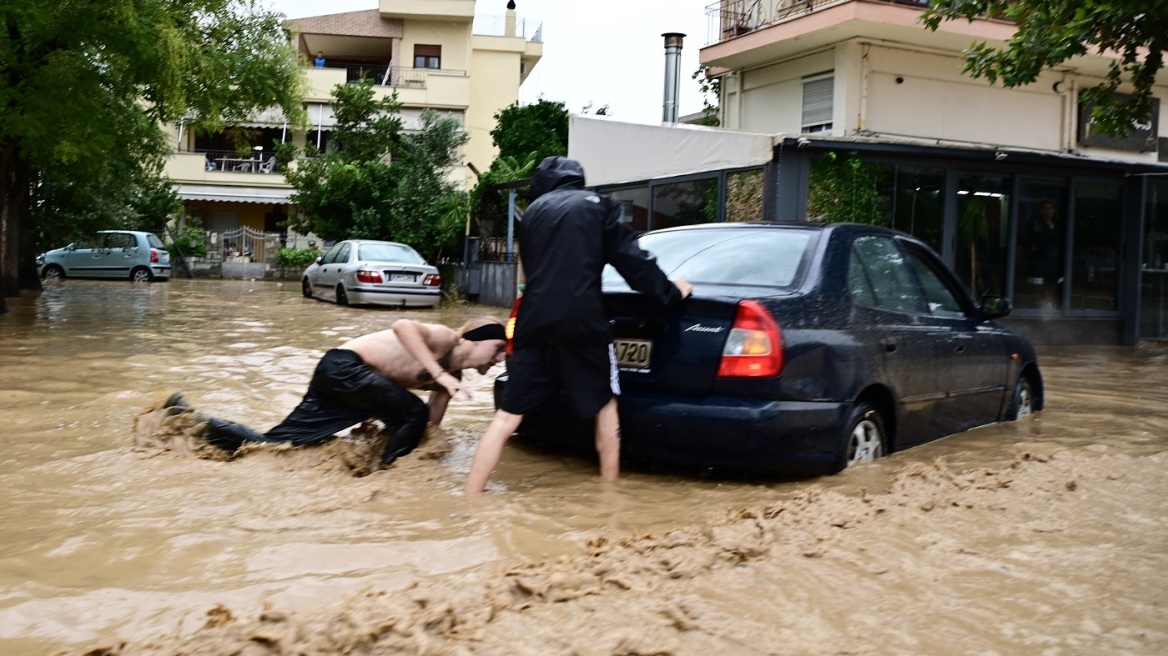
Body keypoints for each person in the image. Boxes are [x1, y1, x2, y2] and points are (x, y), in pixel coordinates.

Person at [465, 156, 692, 494]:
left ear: (543, 185)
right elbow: (633, 262)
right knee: (605, 405)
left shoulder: (533, 214)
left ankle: (471, 495)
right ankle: (608, 498)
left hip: (532, 324)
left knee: (508, 415)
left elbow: (537, 273)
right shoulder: (598, 206)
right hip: (583, 324)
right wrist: (671, 293)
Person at [168, 317, 507, 468]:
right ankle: (389, 475)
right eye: (496, 349)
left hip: (349, 385)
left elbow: (428, 425)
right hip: (343, 367)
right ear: (475, 338)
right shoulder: (446, 338)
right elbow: (402, 327)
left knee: (276, 446)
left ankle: (189, 419)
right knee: (411, 411)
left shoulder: (453, 377)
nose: (497, 359)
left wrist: (425, 446)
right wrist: (437, 374)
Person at [1026, 199, 1063, 307]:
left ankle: (1047, 307)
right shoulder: (1035, 223)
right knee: (1037, 286)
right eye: (1045, 208)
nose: (1048, 211)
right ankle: (1034, 308)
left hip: (1054, 261)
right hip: (1040, 260)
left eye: (1051, 208)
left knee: (1051, 285)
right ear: (1041, 210)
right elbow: (1030, 240)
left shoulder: (1058, 225)